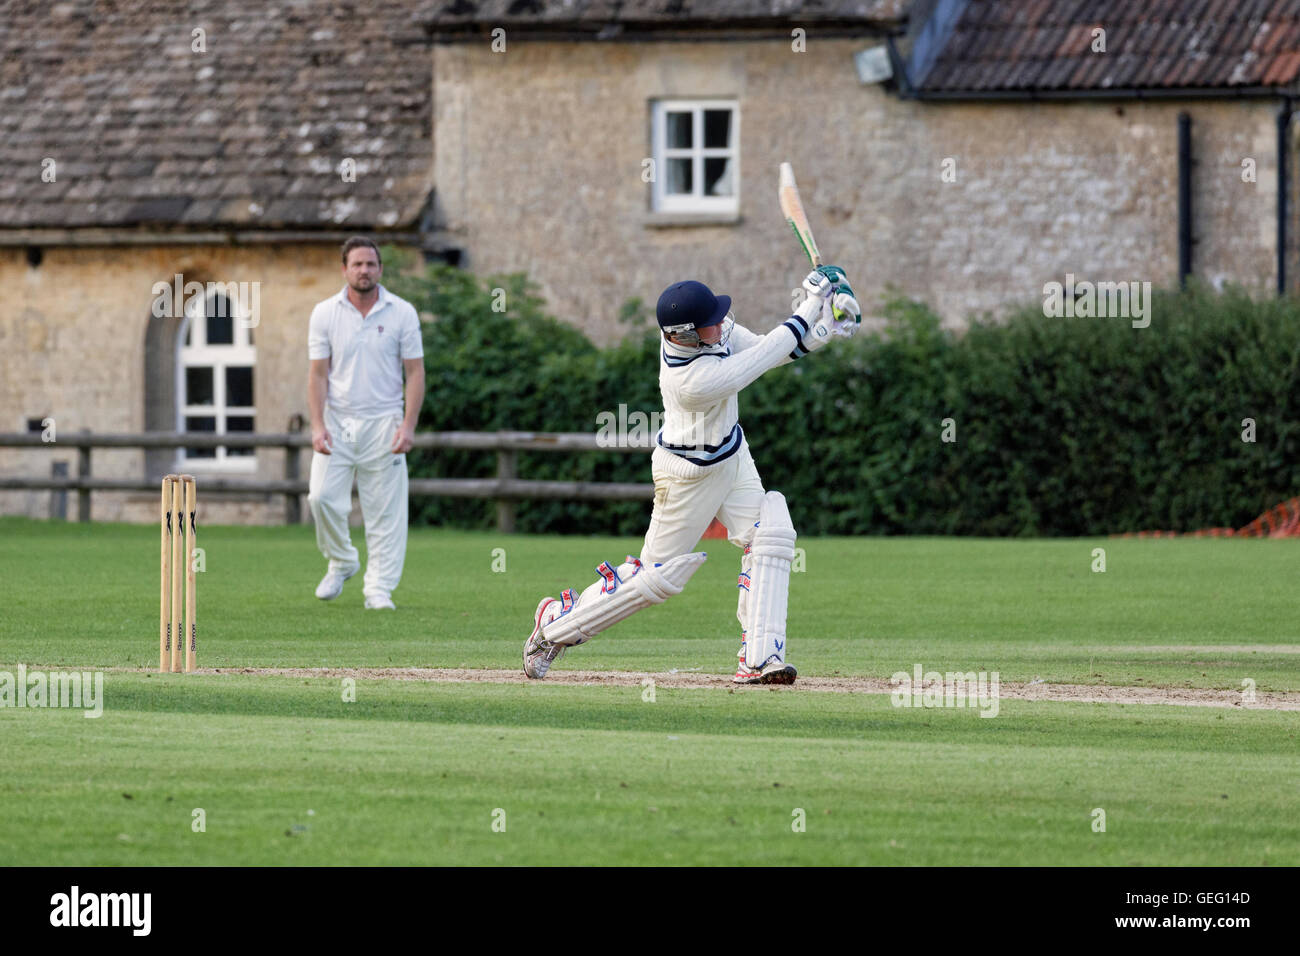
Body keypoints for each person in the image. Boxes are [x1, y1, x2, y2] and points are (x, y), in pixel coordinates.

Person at [522, 267, 859, 682]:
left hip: (731, 452)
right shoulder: (691, 382)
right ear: (684, 335)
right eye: (709, 323)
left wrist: (828, 324)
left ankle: (759, 659)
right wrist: (811, 303)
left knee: (769, 532)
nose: (720, 325)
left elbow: (773, 348)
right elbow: (760, 359)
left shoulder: (709, 331)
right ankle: (555, 624)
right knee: (655, 580)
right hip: (687, 475)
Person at [306, 237, 425, 609]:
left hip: (384, 421)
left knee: (384, 512)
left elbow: (416, 373)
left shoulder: (402, 312)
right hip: (337, 421)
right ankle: (342, 560)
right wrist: (316, 425)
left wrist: (408, 427)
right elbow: (317, 375)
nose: (364, 271)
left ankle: (378, 589)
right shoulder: (324, 313)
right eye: (357, 264)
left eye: (371, 264)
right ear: (344, 270)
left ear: (380, 269)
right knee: (321, 497)